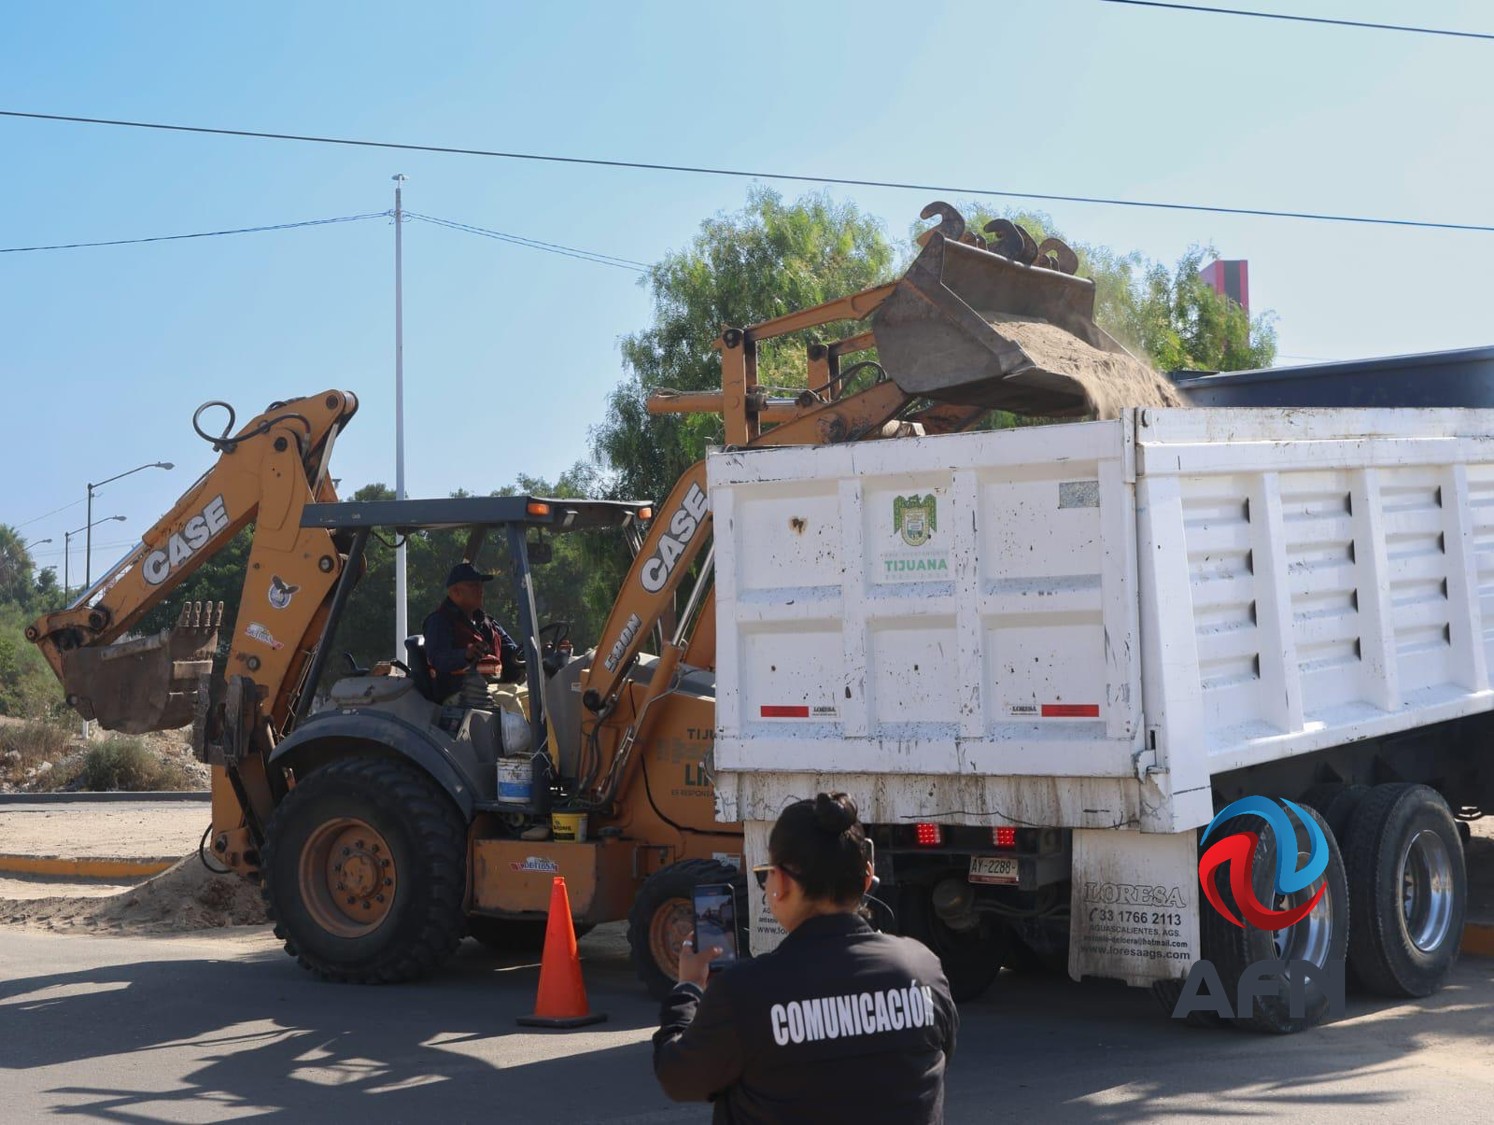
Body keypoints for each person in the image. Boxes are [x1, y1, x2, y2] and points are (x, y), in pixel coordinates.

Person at [653, 792, 958, 1124]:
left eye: (766, 874)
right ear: (867, 876)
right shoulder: (924, 969)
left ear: (781, 882)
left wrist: (688, 989)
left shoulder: (746, 991)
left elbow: (679, 1076)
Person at [421, 561, 526, 700]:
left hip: (491, 689)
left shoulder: (488, 623)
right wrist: (465, 654)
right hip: (460, 694)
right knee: (515, 703)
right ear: (455, 592)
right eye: (473, 586)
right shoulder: (439, 621)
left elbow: (513, 652)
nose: (480, 590)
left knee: (533, 698)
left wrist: (537, 653)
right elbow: (438, 658)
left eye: (480, 585)